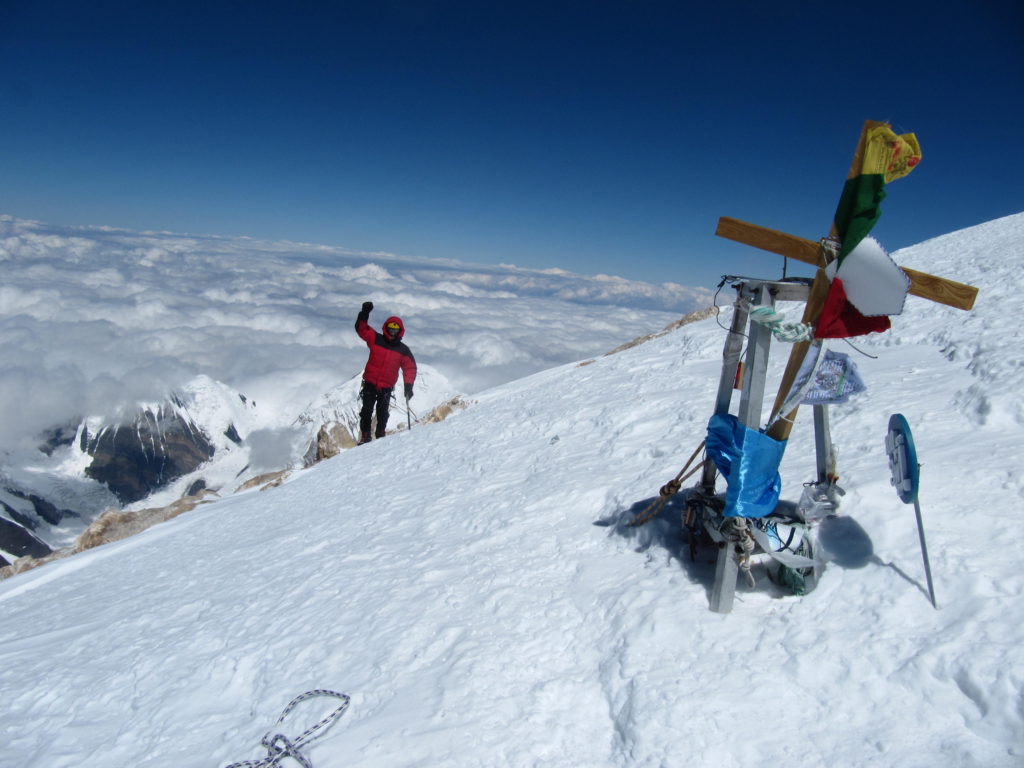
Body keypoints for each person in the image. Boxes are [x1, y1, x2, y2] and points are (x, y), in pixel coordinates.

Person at [354, 301, 416, 444]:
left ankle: (380, 435)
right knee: (366, 412)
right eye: (391, 328)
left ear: (400, 331)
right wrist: (364, 313)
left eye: (395, 329)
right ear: (386, 328)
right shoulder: (376, 339)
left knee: (383, 414)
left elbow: (410, 368)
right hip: (370, 383)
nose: (393, 331)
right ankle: (365, 436)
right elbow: (361, 329)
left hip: (386, 387)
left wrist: (408, 386)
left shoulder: (403, 350)